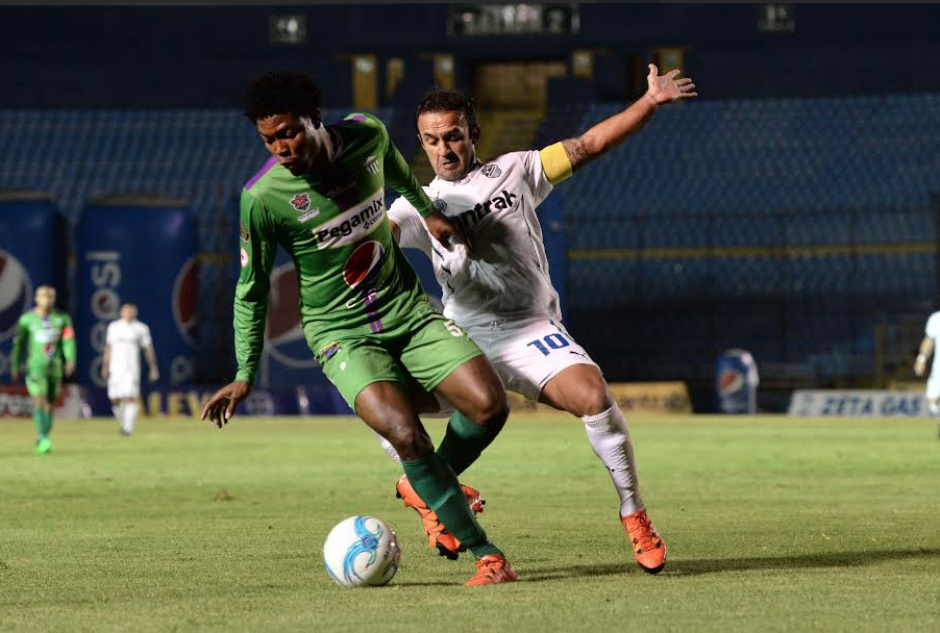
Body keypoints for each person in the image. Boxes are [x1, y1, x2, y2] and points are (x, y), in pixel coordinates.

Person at [200, 71, 517, 586]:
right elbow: (251, 288)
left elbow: (400, 174)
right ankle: (487, 554)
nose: (281, 148)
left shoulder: (367, 134)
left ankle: (427, 489)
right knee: (406, 435)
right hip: (340, 333)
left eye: (289, 133)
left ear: (315, 119)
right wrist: (244, 372)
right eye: (269, 140)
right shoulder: (262, 198)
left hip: (406, 309)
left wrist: (429, 213)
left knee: (490, 404)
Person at [383, 64, 697, 574]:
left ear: (473, 133)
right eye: (432, 140)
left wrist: (648, 102)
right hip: (464, 338)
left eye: (454, 136)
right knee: (382, 393)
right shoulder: (414, 205)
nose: (444, 149)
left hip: (530, 330)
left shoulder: (517, 169)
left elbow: (589, 145)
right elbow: (376, 241)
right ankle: (429, 489)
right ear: (421, 142)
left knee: (595, 398)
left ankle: (633, 512)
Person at [10, 286, 76, 454]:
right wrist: (15, 365)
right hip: (36, 367)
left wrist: (70, 359)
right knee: (40, 399)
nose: (47, 300)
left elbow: (68, 341)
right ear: (37, 299)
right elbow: (19, 345)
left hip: (55, 367)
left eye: (50, 297)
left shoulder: (62, 319)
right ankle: (43, 437)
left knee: (50, 404)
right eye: (44, 297)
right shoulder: (27, 320)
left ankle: (43, 436)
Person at [101, 303, 159, 436]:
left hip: (131, 369)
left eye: (131, 311)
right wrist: (105, 366)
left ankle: (128, 428)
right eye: (126, 311)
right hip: (115, 369)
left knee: (130, 397)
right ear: (121, 312)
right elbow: (108, 348)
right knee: (114, 399)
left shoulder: (141, 328)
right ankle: (124, 423)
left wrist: (153, 368)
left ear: (135, 313)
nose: (128, 313)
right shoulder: (114, 327)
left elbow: (148, 349)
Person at [913, 310, 940, 437]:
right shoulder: (936, 318)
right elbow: (929, 341)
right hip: (938, 369)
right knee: (933, 401)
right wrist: (921, 359)